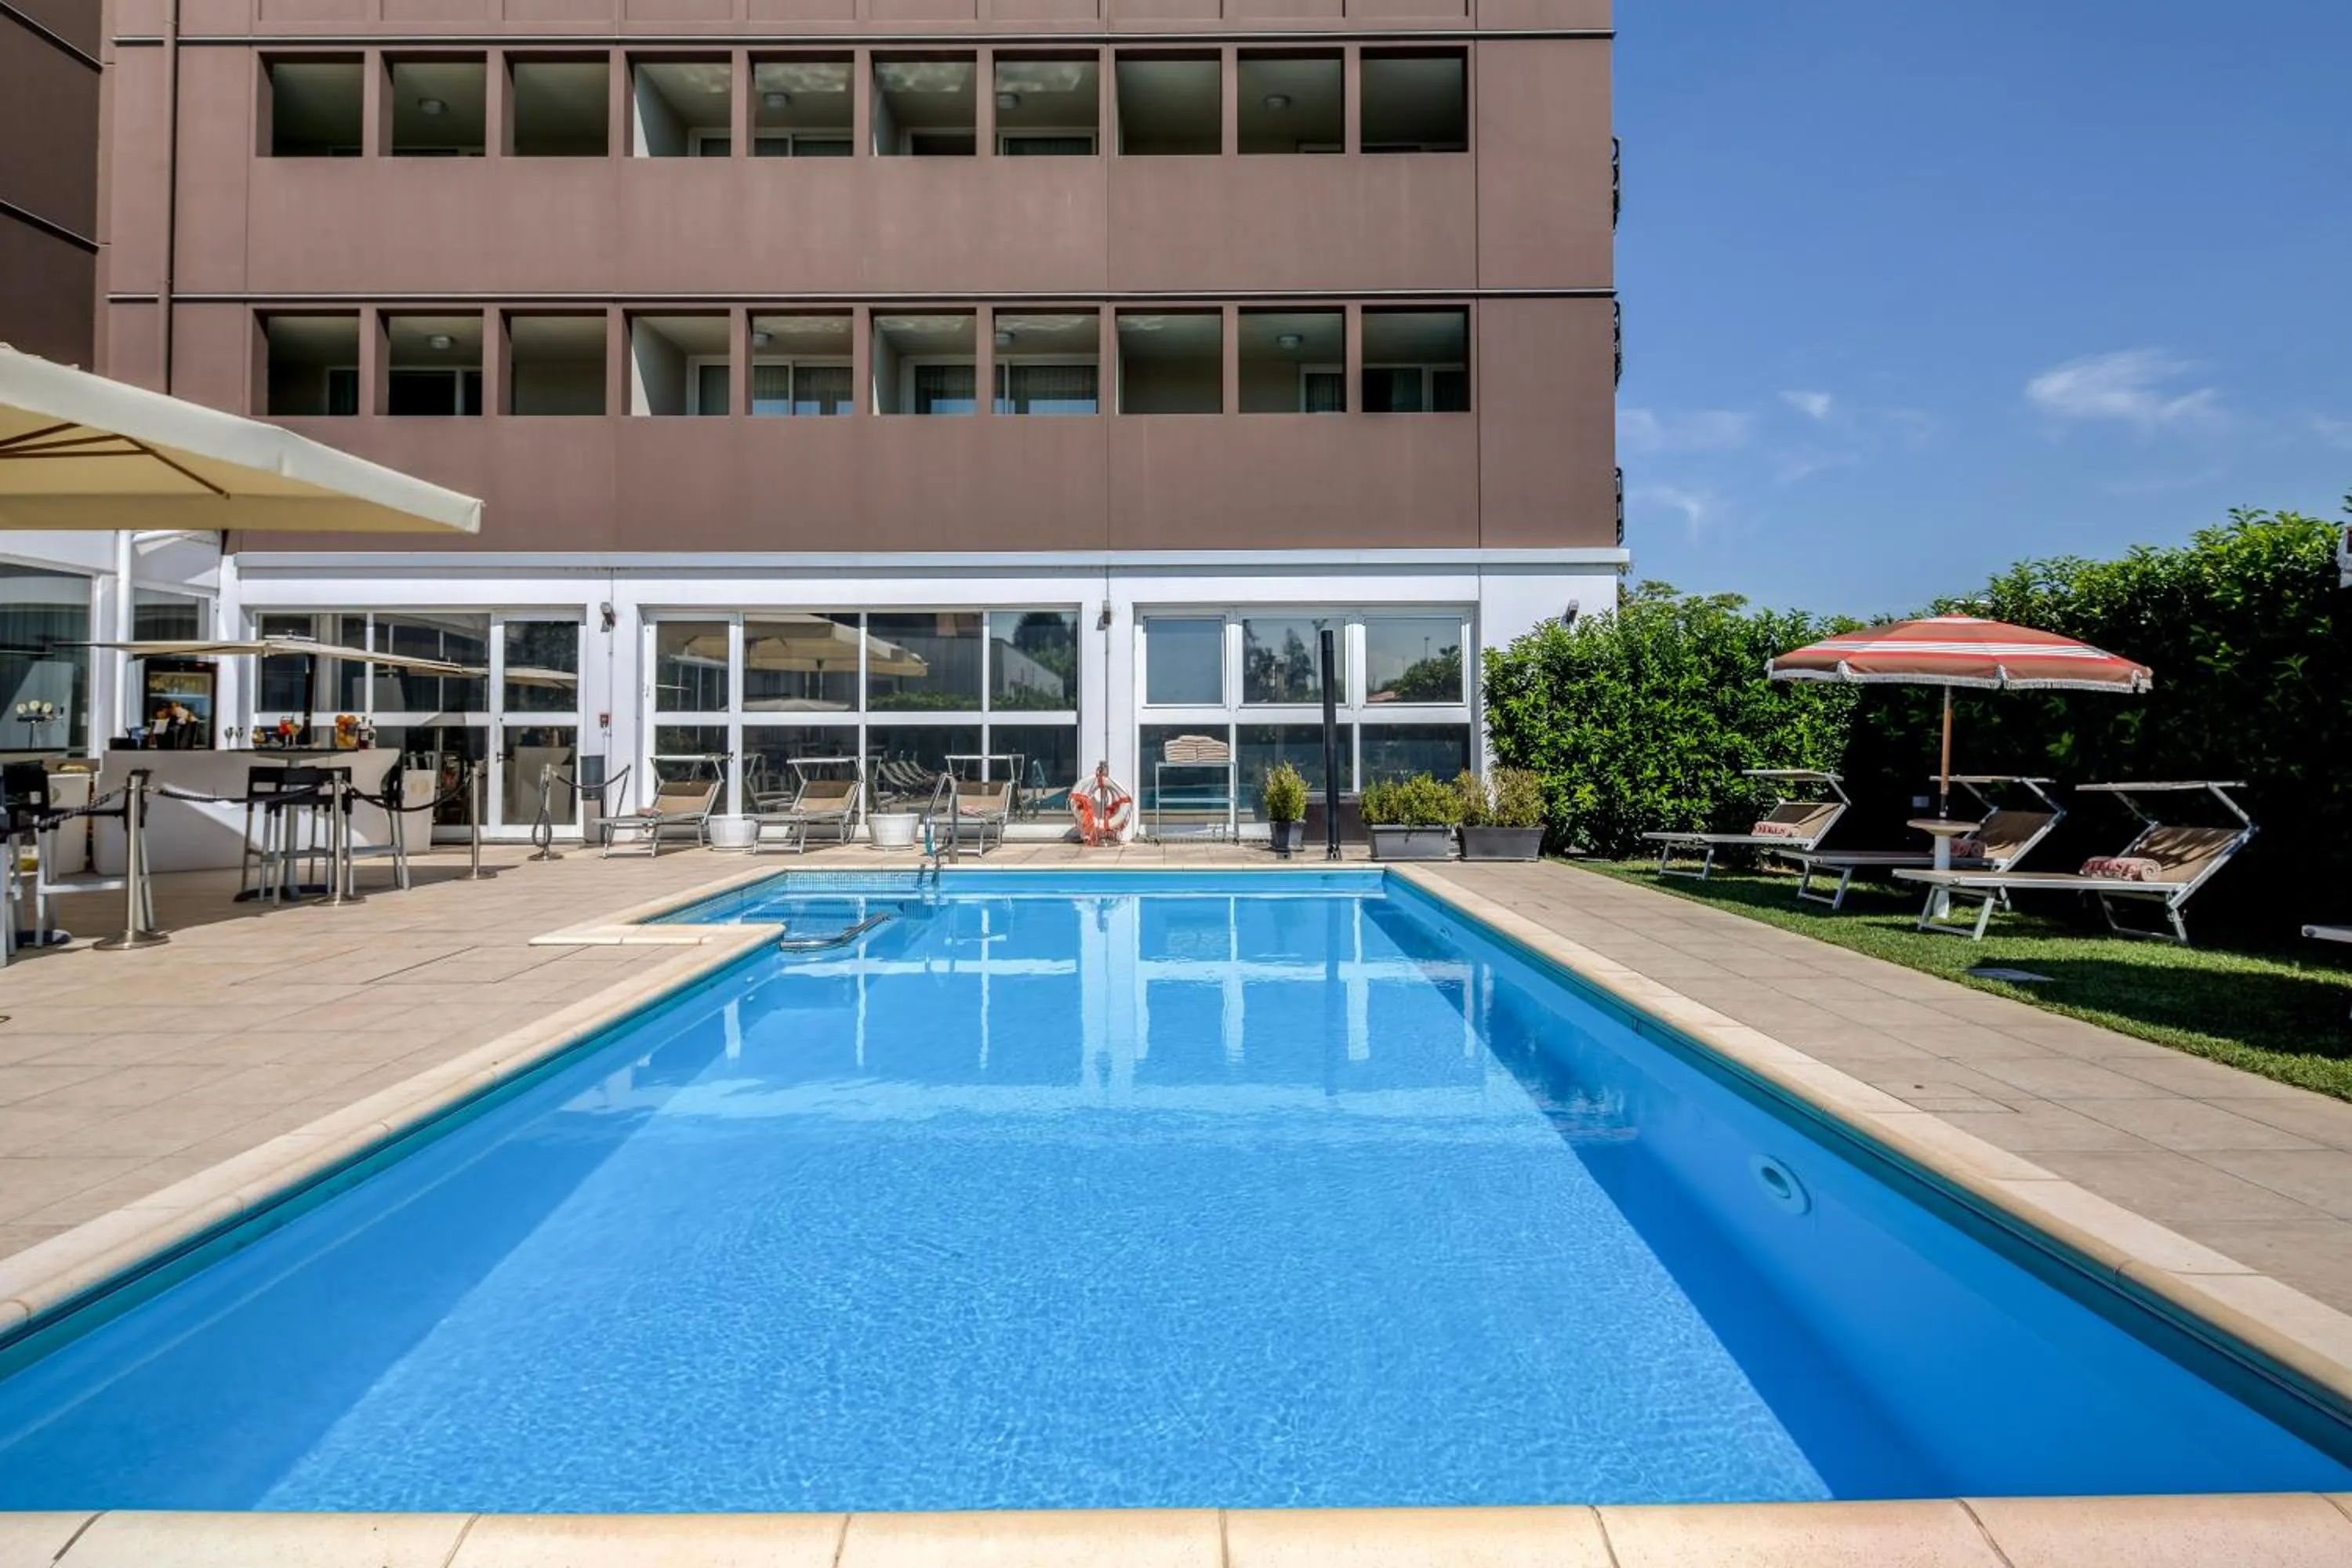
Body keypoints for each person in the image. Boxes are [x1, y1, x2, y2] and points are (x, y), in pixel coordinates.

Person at [1069, 761, 1132, 847]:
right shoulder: (1090, 782)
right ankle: (1097, 836)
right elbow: (1075, 799)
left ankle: (1103, 836)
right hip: (1096, 785)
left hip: (1105, 787)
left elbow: (1125, 799)